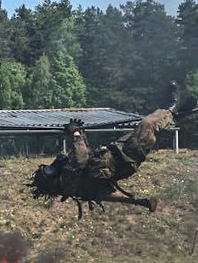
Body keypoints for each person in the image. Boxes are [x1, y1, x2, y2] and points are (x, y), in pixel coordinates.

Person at [28, 81, 183, 218]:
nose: (52, 166)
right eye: (49, 171)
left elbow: (106, 195)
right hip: (126, 156)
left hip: (119, 152)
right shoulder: (69, 178)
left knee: (148, 129)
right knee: (148, 124)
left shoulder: (75, 189)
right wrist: (75, 133)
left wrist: (140, 202)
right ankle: (172, 109)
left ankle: (169, 117)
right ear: (52, 180)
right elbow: (81, 159)